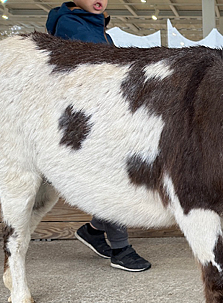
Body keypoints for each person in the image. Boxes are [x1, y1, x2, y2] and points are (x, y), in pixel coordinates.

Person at [46, 0, 151, 272]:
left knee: (122, 177)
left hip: (105, 114)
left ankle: (94, 231)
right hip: (87, 119)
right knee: (115, 180)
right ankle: (120, 249)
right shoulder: (72, 25)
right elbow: (96, 74)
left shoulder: (101, 30)